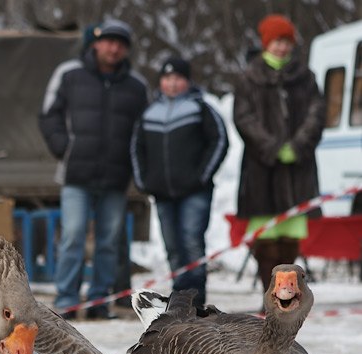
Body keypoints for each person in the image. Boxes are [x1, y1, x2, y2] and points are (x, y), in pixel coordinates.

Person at [38, 19, 148, 320]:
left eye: (120, 44)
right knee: (73, 235)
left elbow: (144, 130)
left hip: (116, 176)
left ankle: (100, 300)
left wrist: (136, 168)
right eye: (108, 41)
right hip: (76, 173)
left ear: (126, 50)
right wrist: (64, 148)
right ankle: (67, 301)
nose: (113, 48)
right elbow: (49, 115)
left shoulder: (137, 86)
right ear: (95, 43)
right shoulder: (69, 73)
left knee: (109, 241)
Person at [233, 14, 325, 296]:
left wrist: (296, 146)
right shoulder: (249, 77)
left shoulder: (305, 77)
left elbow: (316, 113)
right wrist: (272, 147)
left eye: (286, 42)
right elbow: (244, 118)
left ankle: (287, 293)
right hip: (262, 170)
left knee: (289, 238)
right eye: (277, 41)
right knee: (266, 239)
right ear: (266, 43)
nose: (282, 47)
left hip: (297, 170)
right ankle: (268, 295)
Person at [131, 55, 229, 306]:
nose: (172, 84)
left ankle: (196, 298)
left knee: (191, 241)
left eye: (178, 79)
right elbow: (136, 148)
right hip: (163, 193)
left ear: (187, 81)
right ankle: (180, 298)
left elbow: (219, 141)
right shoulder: (149, 113)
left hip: (194, 192)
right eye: (167, 79)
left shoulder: (200, 109)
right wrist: (144, 181)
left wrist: (201, 176)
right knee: (172, 246)